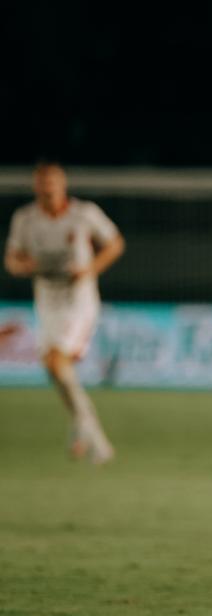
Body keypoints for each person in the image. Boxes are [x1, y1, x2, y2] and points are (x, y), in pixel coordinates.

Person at [4, 161, 124, 463]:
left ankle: (97, 441)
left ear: (62, 185)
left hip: (78, 302)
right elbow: (12, 260)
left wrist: (89, 270)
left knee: (58, 363)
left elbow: (115, 243)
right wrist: (24, 267)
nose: (48, 189)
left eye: (52, 184)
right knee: (54, 368)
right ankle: (80, 424)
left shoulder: (84, 214)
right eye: (42, 184)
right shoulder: (26, 219)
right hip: (46, 301)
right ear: (36, 187)